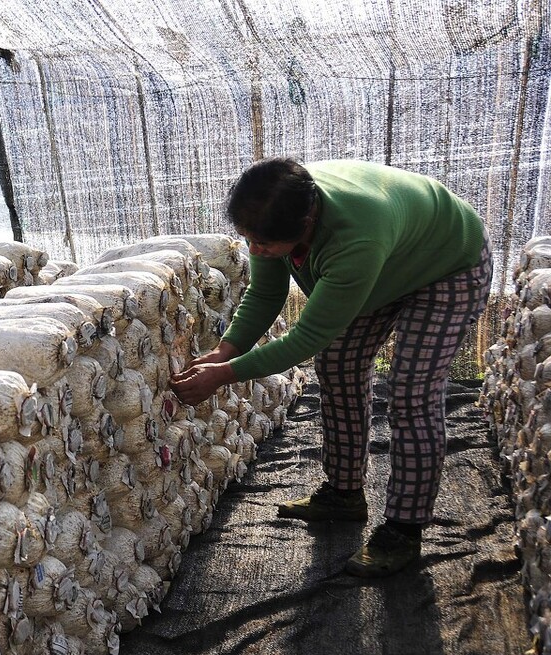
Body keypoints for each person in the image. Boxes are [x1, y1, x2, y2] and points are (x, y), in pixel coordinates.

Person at [170, 158, 491, 577]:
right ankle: (343, 494)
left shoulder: (354, 237)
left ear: (307, 222)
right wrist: (225, 351)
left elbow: (307, 337)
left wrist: (226, 375)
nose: (253, 249)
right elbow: (267, 294)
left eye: (261, 243)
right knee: (338, 366)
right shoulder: (271, 214)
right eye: (246, 238)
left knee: (411, 393)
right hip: (387, 263)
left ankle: (403, 530)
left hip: (446, 267)